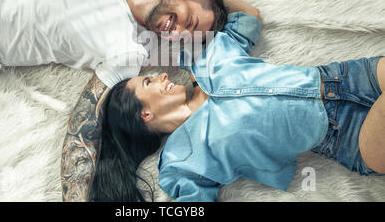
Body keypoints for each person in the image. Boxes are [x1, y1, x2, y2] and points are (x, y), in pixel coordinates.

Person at [0, 0, 260, 201]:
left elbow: (251, 18)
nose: (176, 33)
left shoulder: (131, 53)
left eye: (185, 35)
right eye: (188, 20)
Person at [90, 11, 385, 202]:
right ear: (145, 114)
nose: (162, 75)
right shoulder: (180, 162)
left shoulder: (205, 59)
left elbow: (248, 19)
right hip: (348, 139)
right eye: (149, 82)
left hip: (349, 77)